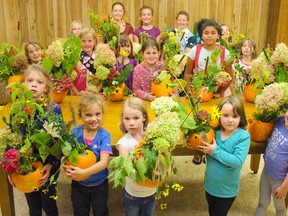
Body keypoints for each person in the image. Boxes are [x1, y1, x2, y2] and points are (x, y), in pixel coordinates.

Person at [9, 64, 62, 216]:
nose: (34, 84)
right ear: (23, 84)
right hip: (27, 164)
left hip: (49, 164)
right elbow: (13, 140)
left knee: (49, 203)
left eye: (39, 82)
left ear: (46, 87)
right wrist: (11, 169)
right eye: (29, 80)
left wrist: (50, 164)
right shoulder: (18, 109)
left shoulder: (53, 109)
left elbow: (59, 141)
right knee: (33, 206)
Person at [198, 95, 250, 216]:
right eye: (226, 115)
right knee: (212, 211)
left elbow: (237, 161)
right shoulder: (214, 132)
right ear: (218, 116)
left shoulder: (243, 137)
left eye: (235, 116)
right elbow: (206, 150)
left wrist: (215, 150)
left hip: (226, 191)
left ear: (241, 117)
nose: (230, 120)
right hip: (210, 186)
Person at [64, 91, 112, 216]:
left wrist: (83, 172)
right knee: (79, 212)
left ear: (102, 114)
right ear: (81, 115)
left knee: (101, 212)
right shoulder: (74, 133)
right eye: (88, 115)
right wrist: (66, 166)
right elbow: (67, 155)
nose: (94, 119)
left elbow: (103, 162)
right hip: (79, 184)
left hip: (99, 184)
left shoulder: (104, 136)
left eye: (97, 114)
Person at [116, 97, 157, 215]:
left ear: (144, 117)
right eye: (127, 119)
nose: (131, 123)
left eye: (136, 118)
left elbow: (161, 157)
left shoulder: (152, 137)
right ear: (122, 119)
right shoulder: (124, 143)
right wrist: (147, 177)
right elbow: (127, 168)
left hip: (151, 192)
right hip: (132, 194)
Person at [184, 18, 234, 97]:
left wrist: (220, 93)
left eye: (213, 33)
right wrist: (189, 91)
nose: (209, 35)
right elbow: (187, 73)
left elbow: (230, 76)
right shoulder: (194, 50)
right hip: (197, 95)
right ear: (201, 36)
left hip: (216, 98)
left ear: (218, 36)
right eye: (206, 33)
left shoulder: (225, 52)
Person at [254, 110, 288, 216]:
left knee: (279, 206)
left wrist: (283, 188)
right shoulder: (279, 120)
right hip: (266, 171)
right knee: (262, 203)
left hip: (280, 180)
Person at [70, 28, 97, 96]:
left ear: (95, 41)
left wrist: (96, 91)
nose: (87, 44)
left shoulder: (98, 57)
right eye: (83, 41)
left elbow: (102, 80)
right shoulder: (75, 58)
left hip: (94, 96)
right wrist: (77, 93)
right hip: (77, 95)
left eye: (90, 41)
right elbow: (69, 79)